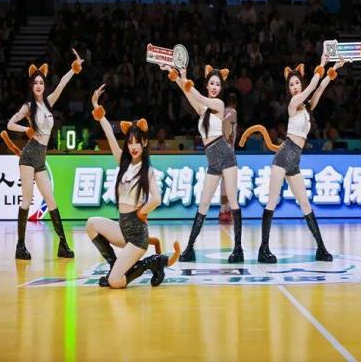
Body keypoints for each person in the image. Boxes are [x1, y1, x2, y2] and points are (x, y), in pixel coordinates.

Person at [240, 55, 348, 263]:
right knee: (272, 201)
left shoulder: (306, 107)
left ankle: (321, 248)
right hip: (284, 155)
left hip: (294, 159)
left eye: (297, 83)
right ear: (288, 89)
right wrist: (322, 63)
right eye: (291, 84)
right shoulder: (294, 103)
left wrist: (334, 68)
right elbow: (311, 88)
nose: (295, 87)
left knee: (305, 204)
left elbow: (319, 89)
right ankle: (263, 249)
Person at [86, 84, 180, 288]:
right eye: (130, 142)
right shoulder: (124, 162)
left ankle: (152, 262)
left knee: (115, 282)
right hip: (122, 229)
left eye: (137, 142)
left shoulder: (147, 170)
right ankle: (114, 265)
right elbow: (110, 136)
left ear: (145, 143)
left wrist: (142, 212)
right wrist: (97, 108)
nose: (133, 146)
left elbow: (157, 198)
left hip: (137, 235)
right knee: (91, 224)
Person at [4, 49, 83, 259]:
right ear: (31, 86)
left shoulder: (48, 103)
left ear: (44, 85)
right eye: (35, 82)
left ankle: (63, 245)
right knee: (27, 200)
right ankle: (20, 246)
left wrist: (73, 69)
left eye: (41, 82)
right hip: (29, 155)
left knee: (52, 201)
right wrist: (26, 130)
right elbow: (10, 124)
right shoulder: (28, 106)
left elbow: (62, 85)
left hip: (41, 157)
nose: (39, 85)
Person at [165, 64, 244, 263]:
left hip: (225, 155)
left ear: (220, 88)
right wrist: (179, 77)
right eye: (212, 83)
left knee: (232, 201)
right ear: (207, 85)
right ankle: (189, 248)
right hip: (213, 160)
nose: (215, 87)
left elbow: (197, 95)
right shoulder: (203, 111)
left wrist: (185, 81)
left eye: (218, 84)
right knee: (204, 203)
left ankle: (238, 249)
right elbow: (189, 93)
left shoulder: (218, 104)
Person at [218, 93, 238, 223]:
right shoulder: (233, 112)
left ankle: (223, 209)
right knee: (228, 181)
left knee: (224, 181)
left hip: (221, 148)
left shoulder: (222, 112)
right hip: (228, 150)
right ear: (235, 103)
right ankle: (226, 210)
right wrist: (228, 140)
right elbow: (228, 125)